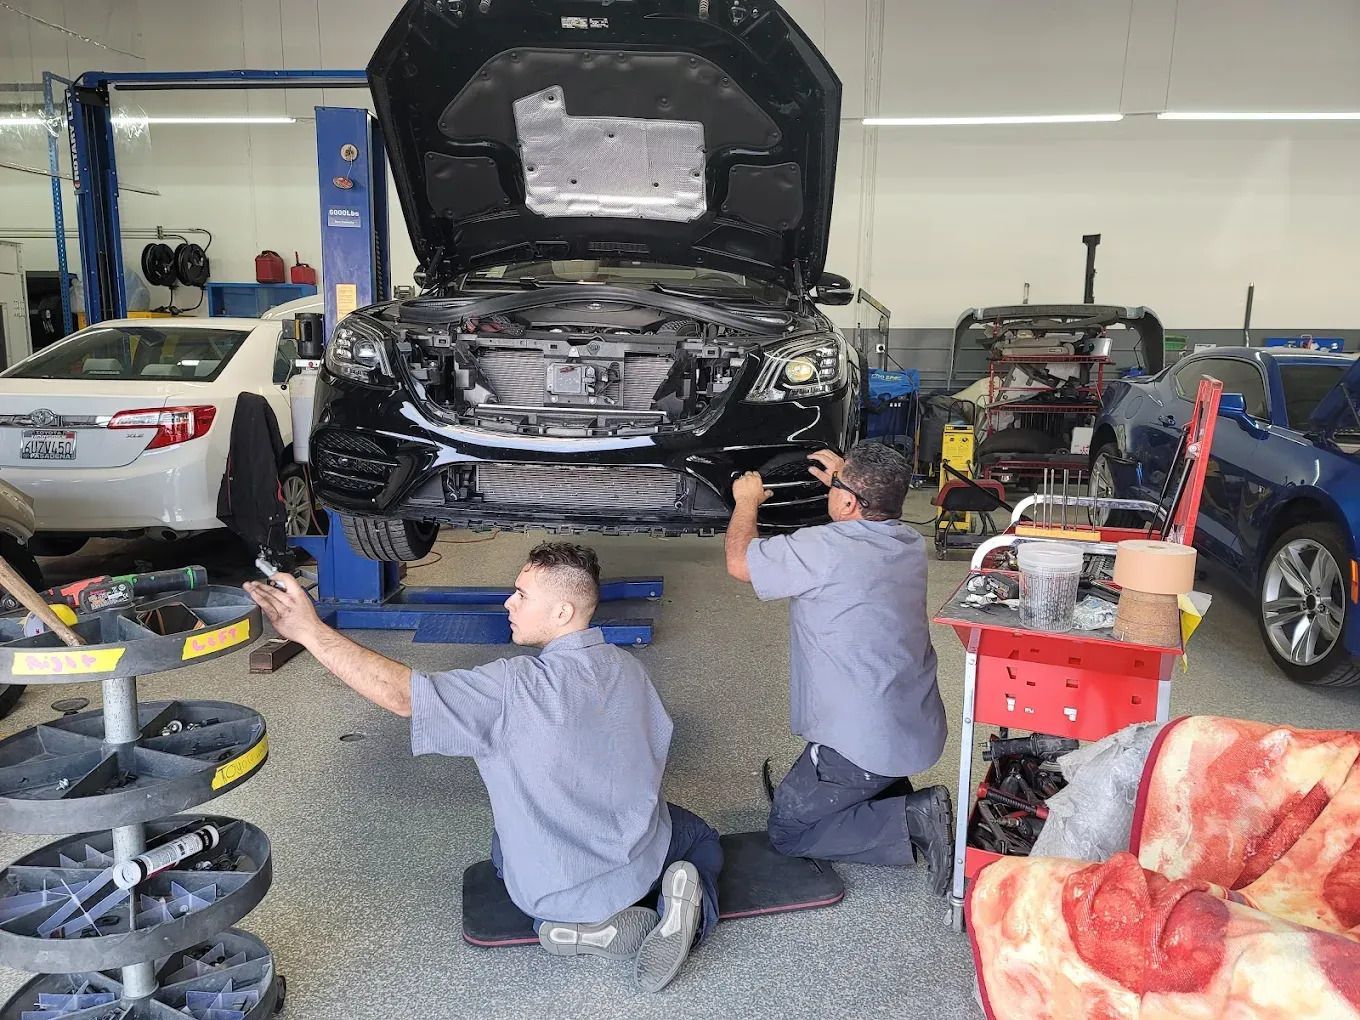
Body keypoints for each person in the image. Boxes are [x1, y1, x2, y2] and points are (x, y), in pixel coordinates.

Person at [245, 542, 722, 992]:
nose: (508, 603)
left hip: (552, 889)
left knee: (507, 851)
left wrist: (309, 630)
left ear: (562, 612)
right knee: (697, 837)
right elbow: (656, 743)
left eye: (521, 595)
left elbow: (401, 695)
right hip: (640, 852)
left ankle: (570, 927)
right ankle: (685, 912)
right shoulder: (627, 666)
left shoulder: (510, 688)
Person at [723, 441, 954, 895]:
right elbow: (862, 509)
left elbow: (739, 563)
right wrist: (845, 480)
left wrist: (746, 501)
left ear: (847, 501)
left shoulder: (822, 548)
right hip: (916, 727)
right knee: (820, 789)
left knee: (789, 831)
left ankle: (913, 817)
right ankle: (886, 792)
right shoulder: (907, 542)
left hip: (861, 744)